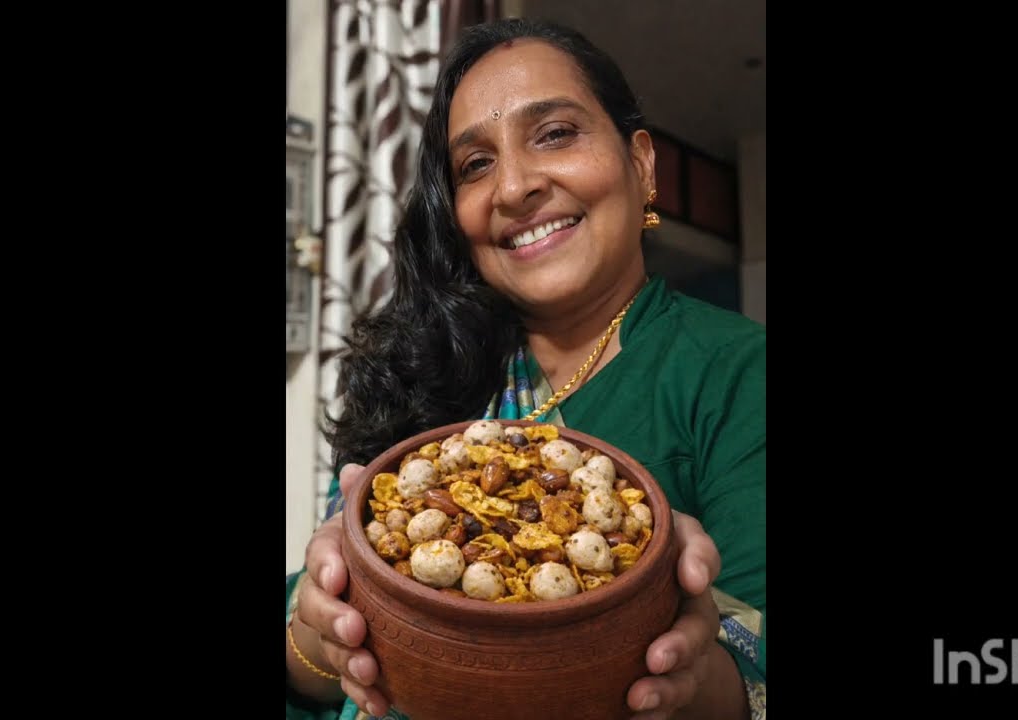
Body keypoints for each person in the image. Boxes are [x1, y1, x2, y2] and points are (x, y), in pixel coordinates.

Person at [286, 17, 765, 720]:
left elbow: (746, 661)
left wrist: (686, 677)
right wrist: (317, 639)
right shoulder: (418, 372)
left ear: (641, 164)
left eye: (555, 134)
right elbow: (312, 648)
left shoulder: (734, 371)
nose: (513, 186)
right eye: (474, 165)